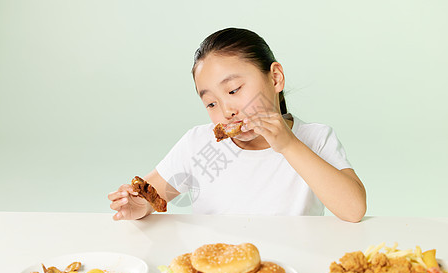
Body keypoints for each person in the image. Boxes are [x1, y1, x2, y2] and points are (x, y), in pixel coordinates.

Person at [108, 28, 366, 222]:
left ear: (275, 78)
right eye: (211, 104)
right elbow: (153, 195)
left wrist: (288, 145)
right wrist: (140, 206)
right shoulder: (198, 144)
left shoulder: (316, 137)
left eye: (233, 90)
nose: (227, 111)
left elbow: (353, 210)